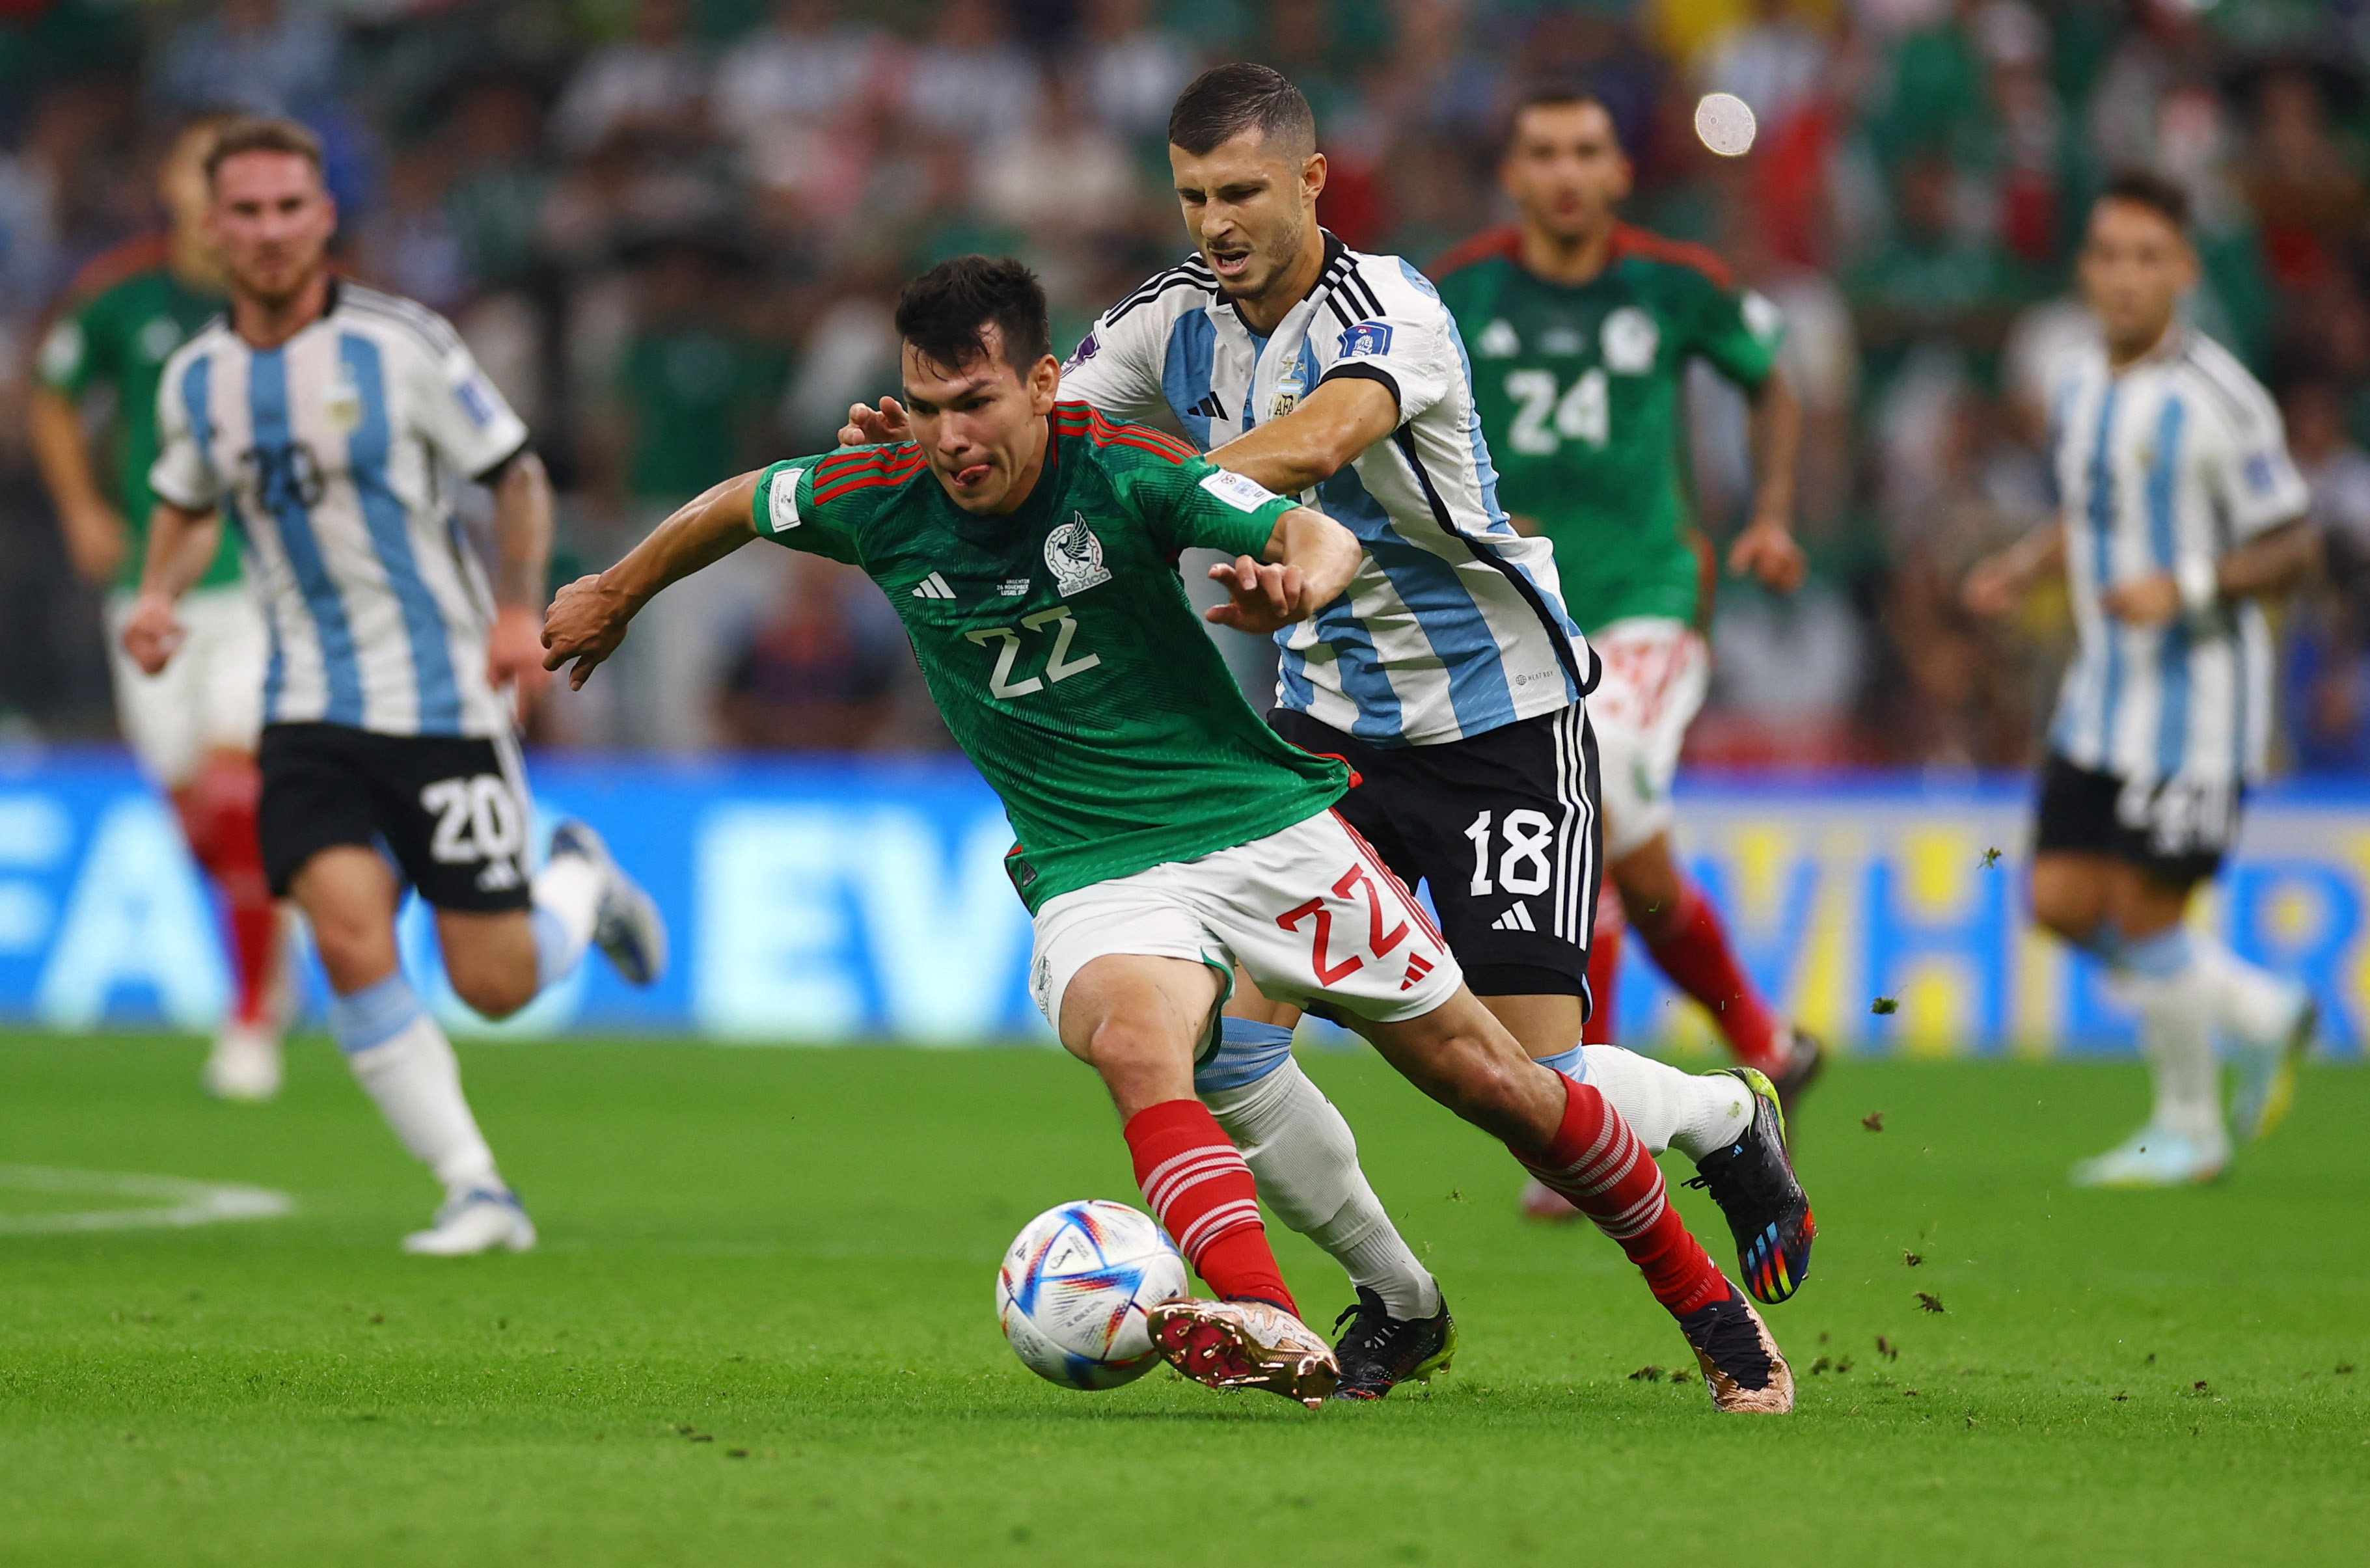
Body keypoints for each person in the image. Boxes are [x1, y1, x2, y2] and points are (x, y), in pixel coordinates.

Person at [549, 255, 1796, 1413]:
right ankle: (1277, 1312)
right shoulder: (879, 493)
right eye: (925, 406)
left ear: (1040, 384)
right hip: (1092, 864)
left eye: (974, 402)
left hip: (1261, 822)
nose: (949, 437)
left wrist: (1296, 577)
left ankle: (1704, 1299)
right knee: (1147, 1044)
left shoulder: (1123, 468)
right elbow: (736, 504)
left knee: (1506, 1087)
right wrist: (614, 589)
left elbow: (1310, 525)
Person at [845, 64, 1815, 1398]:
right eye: (1192, 195)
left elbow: (1316, 441)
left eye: (1241, 191)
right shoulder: (1171, 318)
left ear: (1311, 184)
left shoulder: (1394, 309)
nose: (1215, 221)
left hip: (1502, 719)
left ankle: (1723, 1111)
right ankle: (1396, 1298)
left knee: (1530, 1078)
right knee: (1233, 1045)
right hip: (1322, 730)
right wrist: (949, 451)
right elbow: (1053, 426)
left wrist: (1186, 499)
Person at [122, 117, 669, 1252]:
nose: (270, 231)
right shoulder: (200, 379)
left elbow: (514, 476)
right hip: (307, 706)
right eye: (248, 211)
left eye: (291, 208)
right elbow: (184, 494)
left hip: (440, 700)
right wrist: (159, 593)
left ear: (324, 219)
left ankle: (576, 885)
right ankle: (477, 1189)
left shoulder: (401, 346)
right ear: (212, 227)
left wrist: (518, 612)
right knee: (346, 937)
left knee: (495, 982)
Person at [1430, 88, 1823, 1136]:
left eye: (1586, 150)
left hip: (1648, 598)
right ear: (1512, 176)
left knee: (1585, 813)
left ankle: (1575, 1111)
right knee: (1632, 857)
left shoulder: (1673, 283)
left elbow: (1772, 382)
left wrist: (1771, 513)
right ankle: (1768, 1048)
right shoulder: (1455, 292)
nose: (1564, 171)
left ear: (1619, 173)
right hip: (1518, 613)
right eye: (1543, 151)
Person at [1964, 172, 2321, 1186]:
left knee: (2146, 910)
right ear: (2085, 269)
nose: (2124, 278)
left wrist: (2191, 583)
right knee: (2059, 902)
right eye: (2108, 256)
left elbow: (2292, 543)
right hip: (2098, 695)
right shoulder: (2077, 380)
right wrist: (2025, 563)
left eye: (2146, 258)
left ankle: (2187, 1125)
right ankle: (2256, 1010)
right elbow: (2094, 505)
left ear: (2182, 270)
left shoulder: (2221, 399)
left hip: (2197, 704)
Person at [30, 115, 291, 1100]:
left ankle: (252, 1018)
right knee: (194, 815)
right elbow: (51, 395)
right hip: (149, 586)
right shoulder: (117, 294)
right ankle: (274, 941)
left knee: (236, 794)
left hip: (262, 579)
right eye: (204, 167)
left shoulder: (288, 294)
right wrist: (81, 507)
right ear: (176, 187)